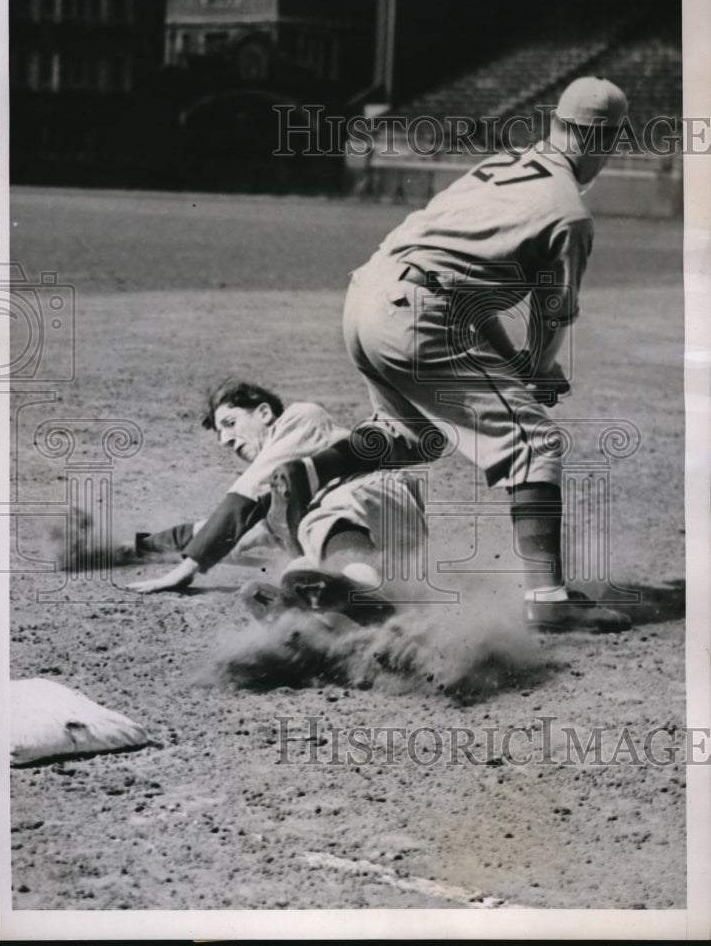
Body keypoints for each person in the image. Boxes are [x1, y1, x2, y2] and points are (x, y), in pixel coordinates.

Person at [265, 77, 633, 633]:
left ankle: (313, 471)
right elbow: (553, 316)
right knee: (533, 441)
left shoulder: (506, 164)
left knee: (419, 433)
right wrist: (536, 370)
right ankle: (549, 598)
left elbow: (466, 288)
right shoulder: (569, 214)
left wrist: (514, 366)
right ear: (609, 140)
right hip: (418, 315)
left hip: (367, 295)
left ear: (554, 124)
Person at [125, 379, 427, 621]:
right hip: (379, 552)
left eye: (229, 423)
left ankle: (361, 589)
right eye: (220, 434)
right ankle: (324, 631)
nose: (225, 440)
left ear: (264, 413)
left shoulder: (302, 418)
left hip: (376, 494)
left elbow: (246, 493)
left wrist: (188, 568)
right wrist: (131, 548)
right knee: (299, 570)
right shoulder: (278, 505)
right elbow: (213, 534)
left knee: (321, 519)